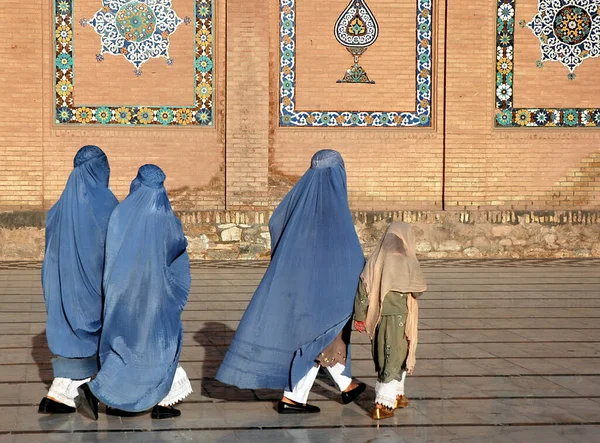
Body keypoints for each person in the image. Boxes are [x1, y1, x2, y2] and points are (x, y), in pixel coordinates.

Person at [216, 149, 366, 413]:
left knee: (314, 337)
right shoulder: (333, 206)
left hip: (296, 285)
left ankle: (340, 386)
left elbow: (277, 223)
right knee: (318, 337)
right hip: (326, 290)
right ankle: (299, 396)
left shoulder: (299, 199)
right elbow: (347, 253)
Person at [76, 164, 192, 420]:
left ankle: (129, 399)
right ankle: (99, 392)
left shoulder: (120, 214)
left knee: (124, 347)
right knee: (160, 347)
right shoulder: (166, 220)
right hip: (154, 298)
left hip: (120, 296)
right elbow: (177, 251)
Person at [39, 146, 118, 414]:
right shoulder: (107, 205)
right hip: (92, 289)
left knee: (70, 327)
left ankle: (62, 390)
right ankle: (87, 387)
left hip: (61, 288)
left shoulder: (59, 207)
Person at [354, 222, 427, 420]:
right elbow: (419, 290)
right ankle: (382, 404)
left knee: (386, 355)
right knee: (393, 357)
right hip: (400, 319)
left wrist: (360, 316)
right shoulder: (408, 262)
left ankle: (397, 395)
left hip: (377, 318)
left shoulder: (375, 260)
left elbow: (363, 290)